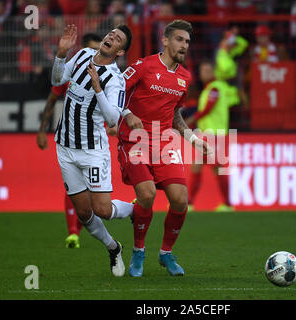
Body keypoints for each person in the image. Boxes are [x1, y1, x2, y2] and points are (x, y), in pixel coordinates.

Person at [118, 19, 211, 277]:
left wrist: (192, 139)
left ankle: (166, 253)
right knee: (147, 195)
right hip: (134, 138)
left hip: (163, 140)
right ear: (166, 40)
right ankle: (138, 251)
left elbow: (175, 113)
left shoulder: (184, 77)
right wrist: (126, 114)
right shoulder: (143, 65)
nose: (184, 45)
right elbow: (114, 90)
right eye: (180, 39)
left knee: (181, 200)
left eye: (188, 42)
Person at [51, 24, 142, 277]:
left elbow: (113, 118)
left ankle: (135, 210)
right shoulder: (81, 55)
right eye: (111, 33)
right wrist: (60, 55)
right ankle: (113, 248)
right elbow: (57, 80)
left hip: (92, 150)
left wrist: (97, 87)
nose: (111, 36)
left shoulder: (115, 79)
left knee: (101, 209)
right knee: (83, 212)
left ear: (120, 51)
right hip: (65, 146)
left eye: (118, 38)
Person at [37, 33, 102, 249]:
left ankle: (79, 229)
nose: (96, 54)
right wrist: (41, 130)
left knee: (94, 194)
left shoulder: (105, 73)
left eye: (99, 49)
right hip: (71, 140)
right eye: (92, 50)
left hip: (94, 141)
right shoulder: (71, 72)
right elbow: (53, 97)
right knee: (74, 189)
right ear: (83, 51)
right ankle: (73, 232)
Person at [185, 60, 239, 212]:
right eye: (203, 70)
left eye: (208, 70)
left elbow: (208, 108)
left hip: (215, 135)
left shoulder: (214, 88)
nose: (205, 73)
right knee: (197, 166)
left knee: (216, 168)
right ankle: (189, 203)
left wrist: (191, 119)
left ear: (214, 72)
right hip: (209, 134)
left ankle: (227, 204)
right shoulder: (214, 88)